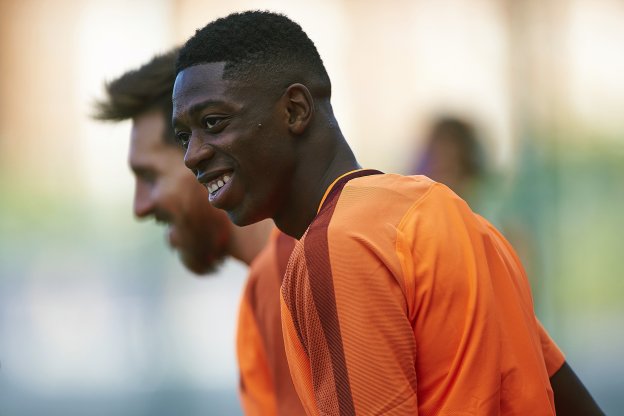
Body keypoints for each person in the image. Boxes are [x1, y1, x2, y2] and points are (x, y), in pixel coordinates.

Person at [171, 11, 604, 415]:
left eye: (213, 122)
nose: (192, 155)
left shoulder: (336, 245)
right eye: (182, 136)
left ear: (295, 111)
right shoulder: (450, 215)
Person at [93, 50, 305, 415]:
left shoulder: (288, 272)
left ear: (202, 155)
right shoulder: (280, 270)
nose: (140, 207)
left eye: (150, 177)